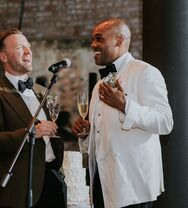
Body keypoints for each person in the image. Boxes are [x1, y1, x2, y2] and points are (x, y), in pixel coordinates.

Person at [72, 18, 173, 208]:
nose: (93, 44)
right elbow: (102, 136)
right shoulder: (98, 87)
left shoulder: (145, 72)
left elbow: (165, 122)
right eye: (93, 39)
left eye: (99, 39)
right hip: (102, 185)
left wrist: (125, 106)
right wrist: (86, 134)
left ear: (119, 40)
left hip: (132, 187)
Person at [0, 28, 66, 208]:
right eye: (19, 48)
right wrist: (32, 132)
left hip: (51, 181)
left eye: (28, 47)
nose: (27, 51)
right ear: (3, 57)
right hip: (20, 186)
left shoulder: (41, 91)